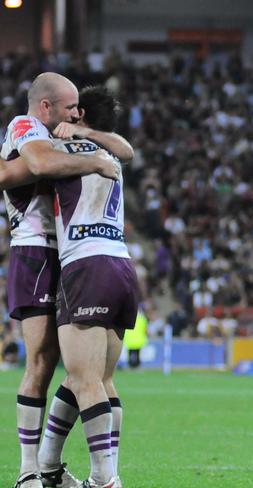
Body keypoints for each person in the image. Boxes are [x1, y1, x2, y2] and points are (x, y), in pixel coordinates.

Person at [0, 72, 122, 488]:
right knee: (40, 362)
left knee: (78, 369)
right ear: (46, 107)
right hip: (36, 251)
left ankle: (50, 464)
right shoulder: (25, 125)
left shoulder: (64, 136)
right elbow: (37, 164)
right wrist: (94, 161)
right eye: (70, 107)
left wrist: (92, 141)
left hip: (69, 254)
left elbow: (122, 147)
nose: (76, 113)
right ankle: (28, 470)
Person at [46, 85, 139, 488]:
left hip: (86, 263)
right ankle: (48, 466)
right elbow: (127, 149)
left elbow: (29, 166)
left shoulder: (65, 150)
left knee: (85, 380)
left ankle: (104, 480)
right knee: (97, 379)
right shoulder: (111, 152)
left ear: (79, 114)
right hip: (120, 264)